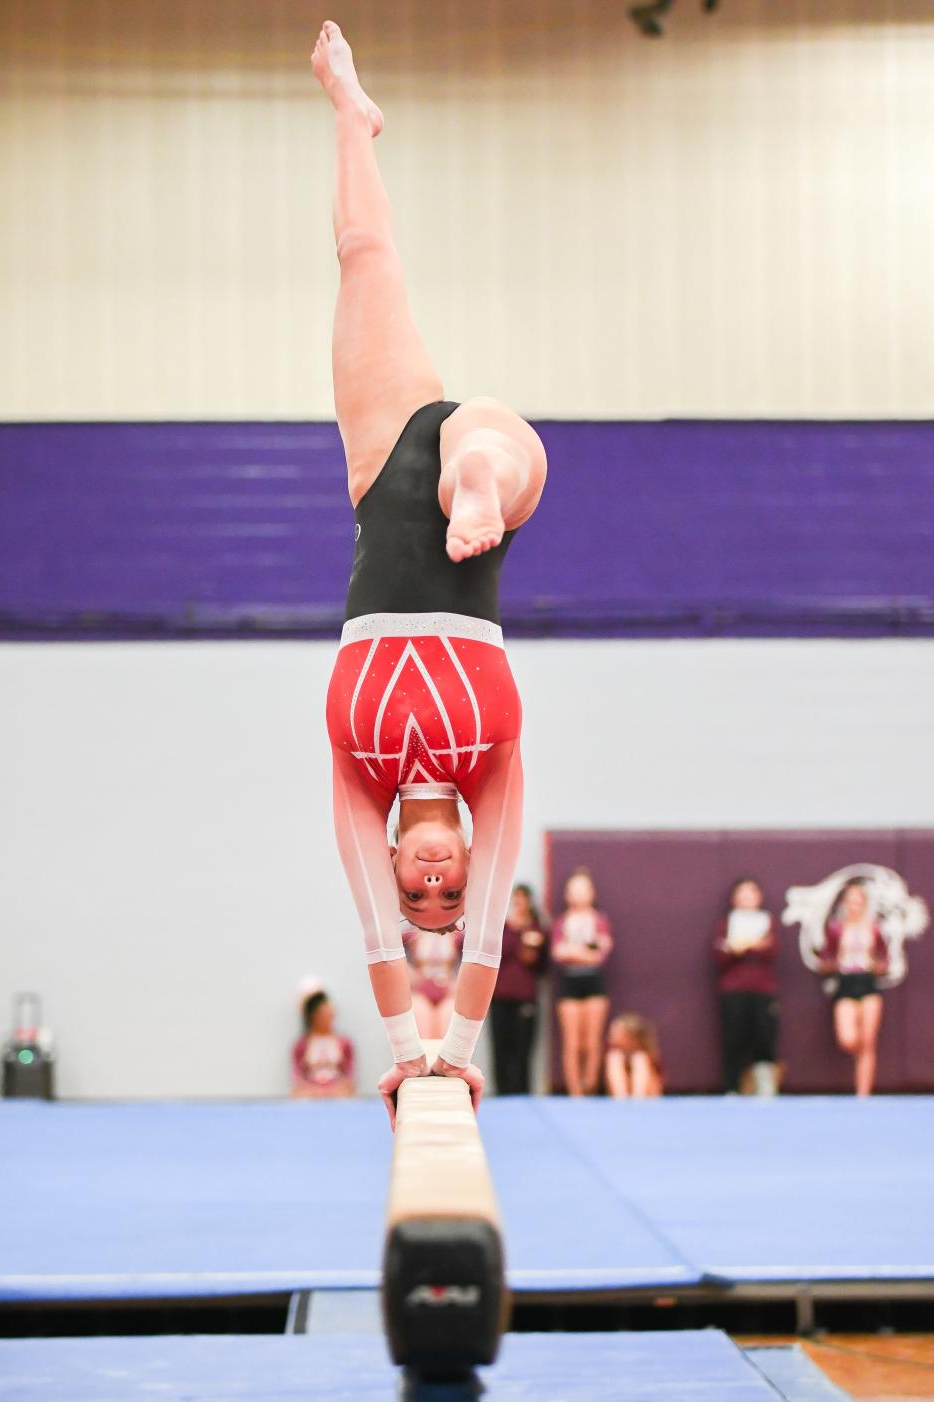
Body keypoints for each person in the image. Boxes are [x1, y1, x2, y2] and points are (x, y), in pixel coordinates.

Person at [313, 23, 548, 1127]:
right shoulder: (487, 774)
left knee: (365, 261)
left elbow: (370, 928)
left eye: (426, 890)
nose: (437, 881)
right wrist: (457, 1049)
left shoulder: (361, 787)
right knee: (491, 447)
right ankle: (482, 479)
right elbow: (493, 931)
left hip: (378, 476)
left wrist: (406, 1049)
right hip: (469, 537)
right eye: (445, 885)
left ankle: (353, 118)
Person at [817, 878, 888, 1096]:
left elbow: (884, 959)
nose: (854, 906)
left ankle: (863, 1092)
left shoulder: (874, 929)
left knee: (868, 1042)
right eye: (850, 901)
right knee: (848, 1038)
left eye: (858, 901)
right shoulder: (836, 929)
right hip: (846, 983)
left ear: (865, 904)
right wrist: (833, 963)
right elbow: (825, 958)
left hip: (867, 982)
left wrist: (877, 966)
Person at [713, 877, 780, 1096]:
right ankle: (732, 1087)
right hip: (734, 989)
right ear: (734, 898)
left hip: (763, 990)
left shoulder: (767, 921)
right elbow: (720, 954)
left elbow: (771, 951)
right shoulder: (726, 923)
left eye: (752, 892)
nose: (747, 897)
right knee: (734, 1038)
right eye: (742, 892)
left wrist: (747, 947)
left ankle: (765, 1087)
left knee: (764, 1037)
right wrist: (740, 948)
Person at [552, 868, 613, 1096]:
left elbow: (601, 953)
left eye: (583, 888)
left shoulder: (599, 920)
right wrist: (584, 951)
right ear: (568, 894)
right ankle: (575, 1091)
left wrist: (574, 951)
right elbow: (559, 952)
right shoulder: (562, 921)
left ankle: (590, 1086)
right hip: (569, 981)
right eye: (574, 889)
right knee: (572, 1042)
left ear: (591, 893)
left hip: (594, 980)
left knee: (592, 1040)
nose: (578, 894)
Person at [489, 884, 548, 1094]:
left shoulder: (537, 930)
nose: (519, 904)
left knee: (522, 1048)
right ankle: (501, 1092)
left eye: (523, 899)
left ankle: (523, 1092)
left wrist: (533, 946)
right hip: (499, 996)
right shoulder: (501, 928)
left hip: (525, 997)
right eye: (516, 899)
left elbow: (541, 965)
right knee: (500, 1047)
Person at [291, 985, 356, 1099]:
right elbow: (298, 1078)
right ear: (313, 1017)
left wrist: (335, 1089)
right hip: (311, 1091)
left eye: (329, 1013)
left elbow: (349, 1077)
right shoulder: (301, 1045)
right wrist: (314, 1090)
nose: (327, 1018)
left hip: (337, 1091)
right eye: (321, 1014)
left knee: (348, 1094)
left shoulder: (344, 1043)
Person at [405, 923, 464, 1040]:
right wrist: (412, 975)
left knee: (446, 1035)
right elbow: (394, 959)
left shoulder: (458, 936)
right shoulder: (411, 935)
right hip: (421, 990)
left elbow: (472, 962)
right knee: (424, 1035)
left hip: (448, 991)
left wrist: (457, 983)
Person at [605, 1014, 664, 1098]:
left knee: (639, 1059)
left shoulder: (646, 1056)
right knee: (614, 1058)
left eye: (616, 1033)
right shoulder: (614, 1055)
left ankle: (637, 1100)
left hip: (647, 1096)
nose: (611, 1036)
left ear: (630, 1037)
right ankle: (621, 1099)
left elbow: (658, 1085)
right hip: (622, 1096)